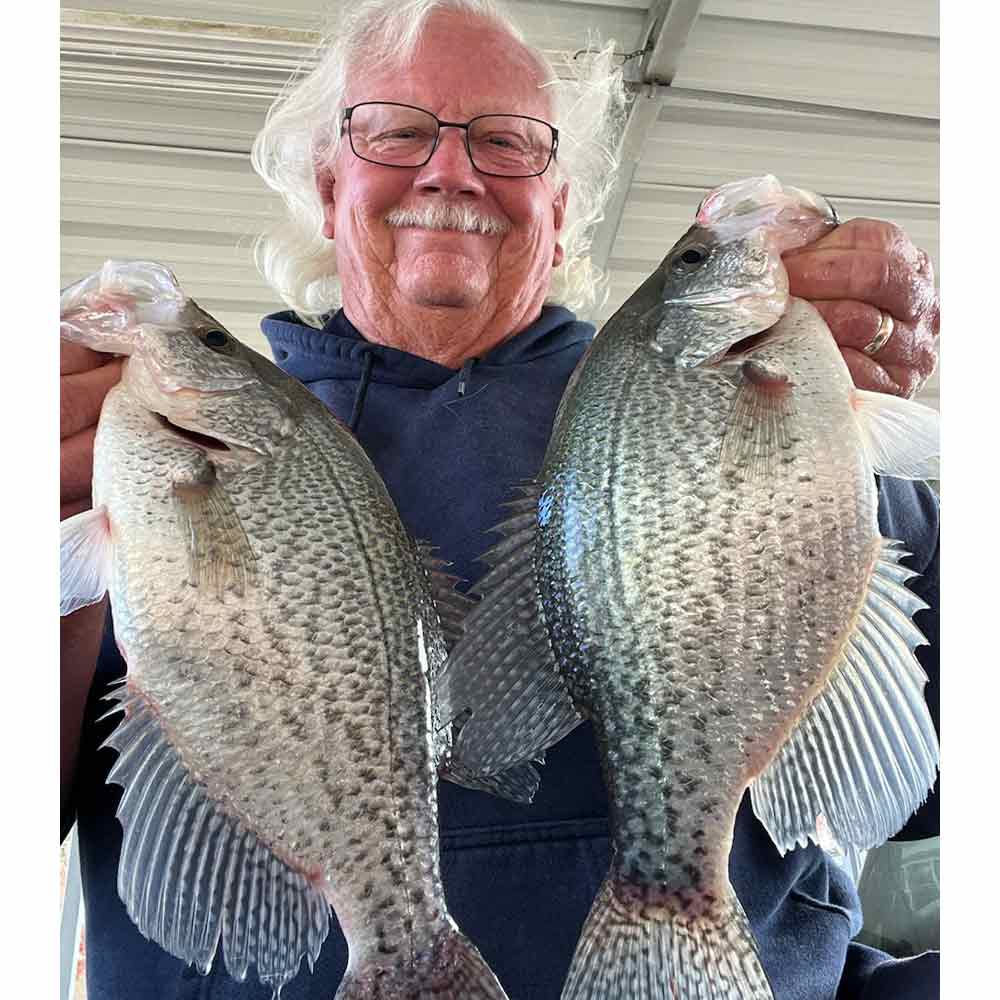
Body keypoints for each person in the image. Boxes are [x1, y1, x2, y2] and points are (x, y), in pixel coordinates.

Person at [59, 1, 941, 998]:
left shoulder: (754, 423)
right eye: (394, 131)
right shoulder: (117, 452)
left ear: (561, 207)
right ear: (326, 181)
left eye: (506, 142)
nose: (450, 170)